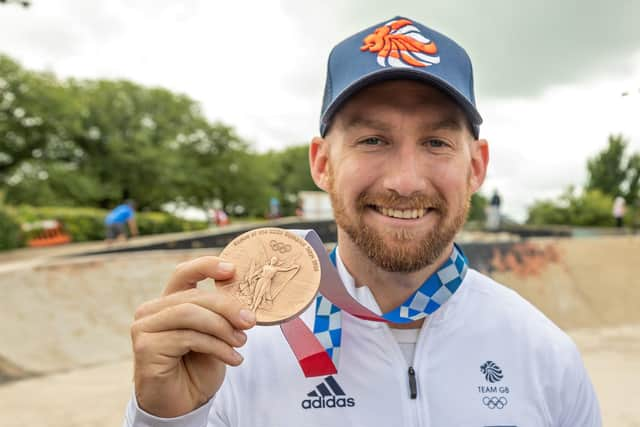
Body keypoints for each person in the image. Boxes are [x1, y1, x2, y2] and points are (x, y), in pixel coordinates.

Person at [124, 17, 601, 426]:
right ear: (322, 163)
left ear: (476, 166)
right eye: (373, 140)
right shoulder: (231, 355)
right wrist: (164, 420)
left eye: (436, 142)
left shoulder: (545, 355)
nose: (406, 181)